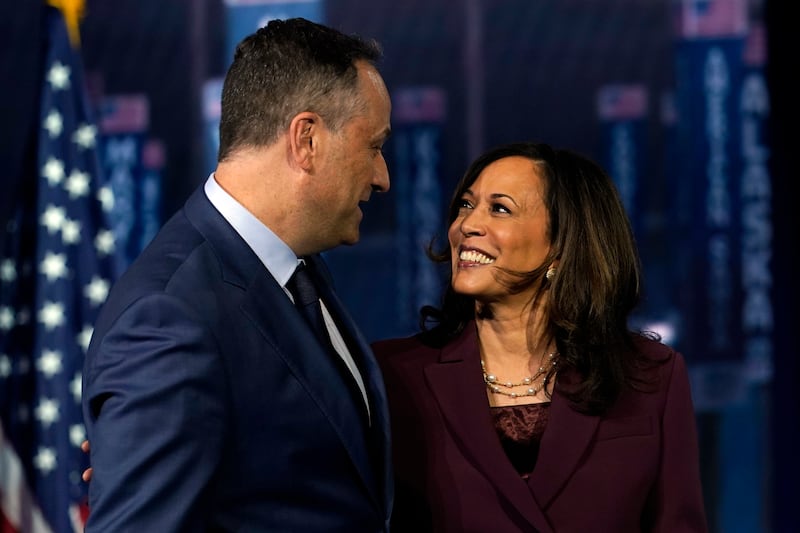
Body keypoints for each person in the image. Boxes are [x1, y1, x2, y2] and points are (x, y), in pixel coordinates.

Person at [82, 18, 393, 531]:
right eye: (373, 145)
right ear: (307, 139)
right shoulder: (169, 318)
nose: (381, 177)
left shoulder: (299, 271)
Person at [372, 142, 708, 532]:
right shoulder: (394, 375)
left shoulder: (651, 377)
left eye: (500, 208)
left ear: (561, 248)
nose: (466, 225)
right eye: (466, 205)